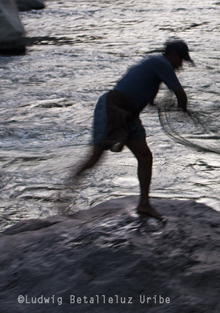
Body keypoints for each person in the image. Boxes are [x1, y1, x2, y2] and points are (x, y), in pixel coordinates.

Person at [74, 39, 193, 221]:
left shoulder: (155, 65)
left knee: (145, 156)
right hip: (112, 109)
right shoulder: (160, 63)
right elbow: (180, 93)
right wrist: (184, 109)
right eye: (181, 60)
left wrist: (163, 105)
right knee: (95, 157)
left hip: (130, 115)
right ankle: (65, 191)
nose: (181, 65)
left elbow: (151, 100)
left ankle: (144, 204)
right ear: (173, 55)